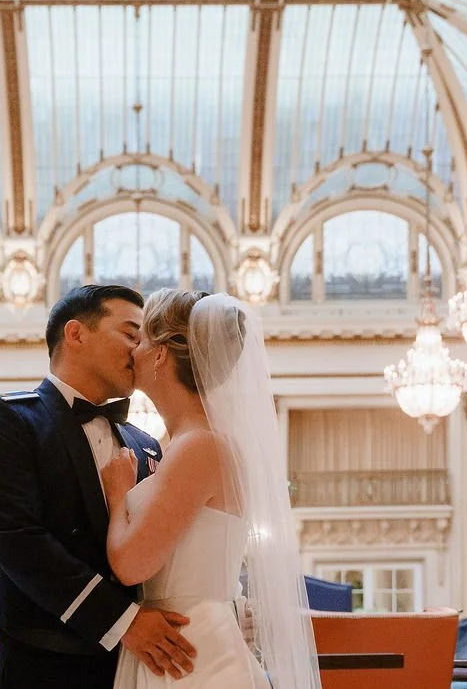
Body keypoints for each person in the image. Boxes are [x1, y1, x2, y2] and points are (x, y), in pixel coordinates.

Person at [0, 284, 199, 688]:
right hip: (42, 670)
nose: (139, 350)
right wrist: (123, 622)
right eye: (130, 334)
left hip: (140, 669)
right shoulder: (7, 421)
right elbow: (20, 543)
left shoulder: (145, 443)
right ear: (75, 334)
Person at [103, 290, 321, 689]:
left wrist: (118, 497)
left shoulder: (199, 446)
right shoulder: (190, 443)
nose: (133, 350)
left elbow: (131, 565)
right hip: (180, 641)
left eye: (142, 339)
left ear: (161, 354)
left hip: (190, 652)